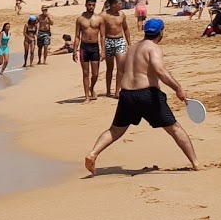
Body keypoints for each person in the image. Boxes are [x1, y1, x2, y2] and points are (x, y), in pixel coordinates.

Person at [84, 17, 198, 173]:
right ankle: (195, 163)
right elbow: (160, 70)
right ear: (161, 32)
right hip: (147, 95)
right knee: (175, 129)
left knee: (115, 130)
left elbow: (122, 69)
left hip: (127, 95)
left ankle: (93, 153)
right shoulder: (153, 48)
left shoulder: (132, 48)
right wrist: (177, 88)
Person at [99, 0, 131, 97]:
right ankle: (108, 90)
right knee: (110, 68)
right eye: (119, 4)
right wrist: (102, 48)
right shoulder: (103, 15)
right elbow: (100, 32)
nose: (122, 5)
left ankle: (117, 91)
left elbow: (126, 29)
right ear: (113, 5)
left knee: (121, 67)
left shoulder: (122, 15)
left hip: (120, 41)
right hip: (108, 41)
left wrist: (129, 43)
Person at [74, 0, 103, 100]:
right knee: (85, 73)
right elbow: (77, 36)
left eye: (93, 5)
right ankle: (87, 96)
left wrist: (103, 50)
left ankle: (91, 88)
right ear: (85, 5)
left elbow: (102, 36)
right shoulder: (80, 19)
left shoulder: (99, 19)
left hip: (95, 47)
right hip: (84, 47)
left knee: (95, 74)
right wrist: (74, 50)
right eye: (89, 5)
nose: (91, 7)